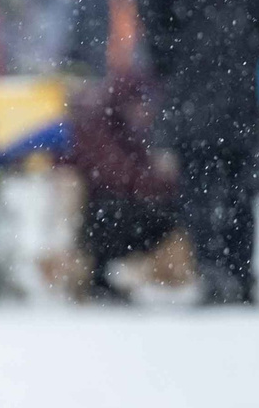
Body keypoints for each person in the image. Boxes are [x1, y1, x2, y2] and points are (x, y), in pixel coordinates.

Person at [144, 0, 259, 304]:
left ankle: (212, 269)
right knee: (240, 185)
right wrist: (248, 53)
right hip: (239, 89)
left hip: (191, 91)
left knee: (198, 186)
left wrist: (172, 65)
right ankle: (244, 272)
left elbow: (154, 19)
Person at [67, 65, 180, 303]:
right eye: (140, 102)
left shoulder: (129, 127)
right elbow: (118, 174)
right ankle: (96, 276)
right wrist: (164, 184)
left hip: (113, 208)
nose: (145, 110)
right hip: (101, 213)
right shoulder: (99, 124)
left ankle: (101, 277)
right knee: (126, 213)